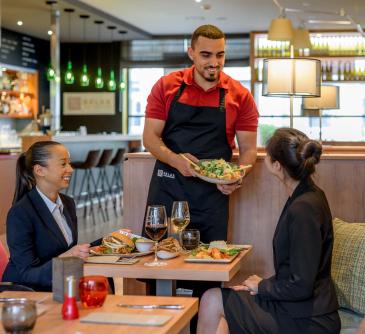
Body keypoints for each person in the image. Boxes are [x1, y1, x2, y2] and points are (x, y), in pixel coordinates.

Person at [197, 128, 341, 334]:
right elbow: (297, 271)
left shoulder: (304, 208)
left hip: (310, 319)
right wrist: (259, 286)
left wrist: (262, 288)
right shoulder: (306, 195)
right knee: (217, 305)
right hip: (300, 308)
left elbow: (302, 285)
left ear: (277, 165)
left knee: (212, 300)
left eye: (267, 154)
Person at [143, 23, 259, 246]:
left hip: (212, 196)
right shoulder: (167, 86)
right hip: (168, 187)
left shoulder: (240, 95)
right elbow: (150, 138)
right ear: (191, 53)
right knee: (160, 266)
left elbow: (249, 149)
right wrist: (176, 160)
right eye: (206, 55)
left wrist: (238, 175)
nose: (214, 63)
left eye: (220, 55)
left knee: (208, 269)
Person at [2, 141, 101, 291]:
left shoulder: (68, 203)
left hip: (58, 285)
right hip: (26, 294)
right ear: (40, 170)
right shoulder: (20, 214)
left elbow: (69, 251)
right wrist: (66, 257)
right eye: (63, 164)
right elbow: (27, 275)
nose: (71, 169)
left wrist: (109, 242)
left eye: (69, 163)